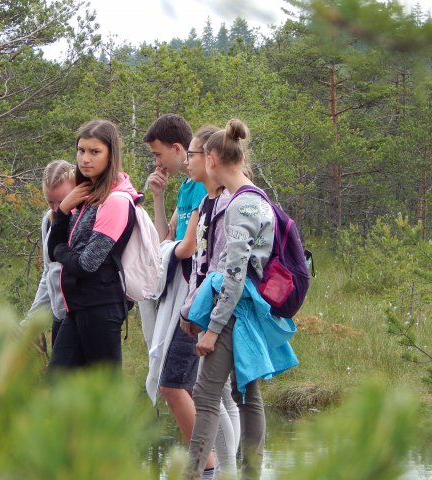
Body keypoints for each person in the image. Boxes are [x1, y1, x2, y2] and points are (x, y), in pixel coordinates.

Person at [185, 119, 298, 480]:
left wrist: (213, 329)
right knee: (247, 393)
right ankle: (251, 474)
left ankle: (191, 475)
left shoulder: (241, 206)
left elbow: (234, 275)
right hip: (248, 309)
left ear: (213, 160)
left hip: (235, 312)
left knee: (205, 396)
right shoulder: (257, 198)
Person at [142, 114, 215, 478]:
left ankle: (208, 466)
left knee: (175, 386)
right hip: (182, 298)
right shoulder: (186, 187)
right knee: (193, 391)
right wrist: (158, 197)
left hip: (197, 298)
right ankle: (211, 466)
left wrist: (170, 249)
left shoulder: (202, 187)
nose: (157, 162)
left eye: (158, 154)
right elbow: (164, 239)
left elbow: (186, 248)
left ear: (177, 149)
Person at [46, 119, 139, 368]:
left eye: (95, 152)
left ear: (111, 155)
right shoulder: (86, 195)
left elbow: (87, 264)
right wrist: (63, 210)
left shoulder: (115, 201)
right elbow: (52, 249)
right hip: (77, 306)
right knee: (57, 382)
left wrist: (61, 250)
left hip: (101, 306)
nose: (85, 159)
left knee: (103, 386)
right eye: (81, 150)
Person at [178, 125, 242, 478]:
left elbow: (221, 267)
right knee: (221, 394)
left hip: (222, 310)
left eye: (192, 154)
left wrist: (208, 315)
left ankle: (227, 472)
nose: (187, 161)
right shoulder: (206, 202)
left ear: (210, 158)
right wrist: (191, 308)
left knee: (211, 396)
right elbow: (199, 263)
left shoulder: (229, 203)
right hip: (208, 308)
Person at [25, 160, 76, 346]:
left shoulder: (84, 221)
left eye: (62, 201)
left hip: (80, 316)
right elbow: (49, 274)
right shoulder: (48, 221)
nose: (56, 208)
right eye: (50, 201)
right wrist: (31, 322)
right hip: (59, 316)